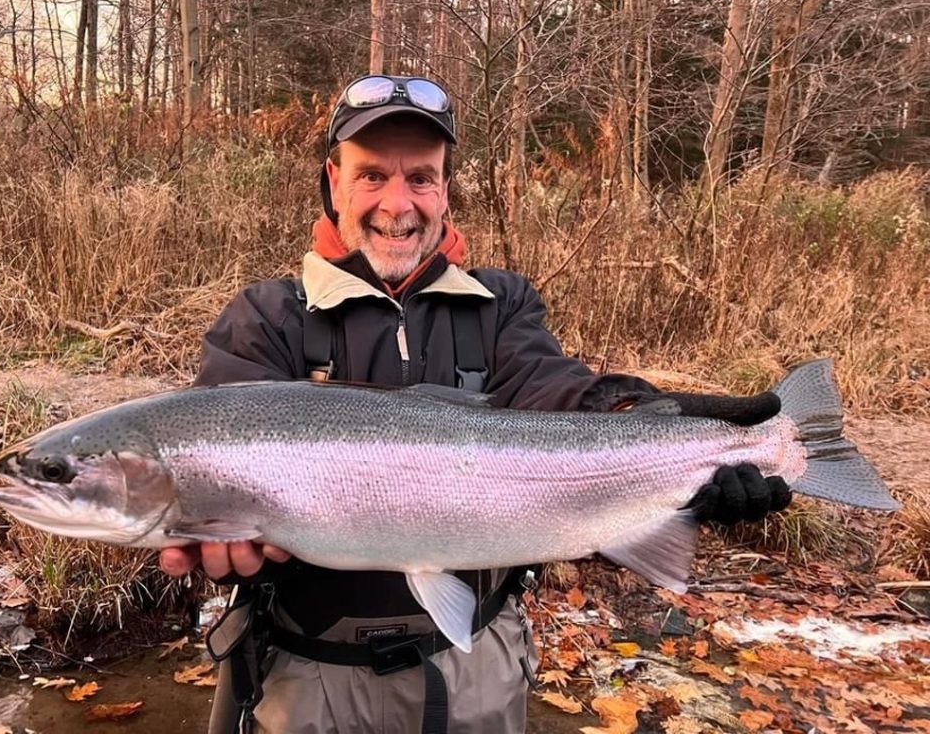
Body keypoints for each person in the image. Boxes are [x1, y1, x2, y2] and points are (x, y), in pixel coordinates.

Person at [159, 74, 792, 734]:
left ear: (445, 190)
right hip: (310, 680)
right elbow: (209, 443)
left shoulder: (501, 305)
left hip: (478, 672)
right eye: (372, 175)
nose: (397, 203)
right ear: (334, 181)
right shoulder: (268, 317)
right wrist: (209, 529)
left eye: (422, 178)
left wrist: (643, 417)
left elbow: (554, 392)